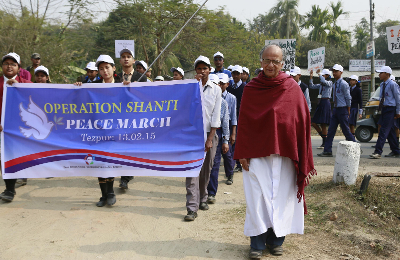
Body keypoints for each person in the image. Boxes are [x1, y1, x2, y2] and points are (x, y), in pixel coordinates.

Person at [234, 45, 315, 258]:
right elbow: (243, 123)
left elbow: (301, 121)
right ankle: (257, 245)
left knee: (282, 197)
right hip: (256, 155)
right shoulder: (252, 88)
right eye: (267, 60)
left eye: (276, 61)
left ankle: (277, 240)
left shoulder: (291, 88)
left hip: (286, 155)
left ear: (282, 63)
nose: (271, 65)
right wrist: (242, 152)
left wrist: (299, 151)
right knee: (257, 198)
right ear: (260, 62)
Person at [75, 54, 124, 206]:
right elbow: (79, 102)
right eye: (101, 69)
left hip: (114, 131)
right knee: (98, 163)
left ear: (113, 68)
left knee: (110, 161)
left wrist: (130, 88)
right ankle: (104, 195)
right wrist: (77, 88)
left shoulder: (122, 85)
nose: (104, 71)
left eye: (107, 68)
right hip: (96, 131)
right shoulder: (91, 85)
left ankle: (110, 192)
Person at [184, 55, 221, 221]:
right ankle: (192, 207)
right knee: (192, 170)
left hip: (209, 134)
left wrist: (210, 138)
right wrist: (193, 86)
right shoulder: (189, 88)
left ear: (209, 70)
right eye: (198, 68)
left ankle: (203, 198)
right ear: (195, 71)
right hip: (192, 135)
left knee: (206, 169)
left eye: (204, 68)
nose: (202, 71)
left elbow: (216, 116)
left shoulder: (216, 89)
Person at [0, 52, 33, 202]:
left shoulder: (25, 83)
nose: (9, 66)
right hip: (1, 129)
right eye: (6, 63)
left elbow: (45, 94)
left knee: (12, 157)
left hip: (18, 131)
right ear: (2, 67)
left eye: (13, 64)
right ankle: (9, 188)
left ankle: (9, 190)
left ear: (19, 68)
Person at [207, 73, 237, 205]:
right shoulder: (200, 98)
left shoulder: (224, 102)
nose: (215, 86)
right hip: (202, 134)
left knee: (214, 164)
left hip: (217, 135)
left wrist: (226, 140)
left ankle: (211, 193)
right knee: (202, 166)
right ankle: (202, 192)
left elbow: (226, 122)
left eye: (217, 84)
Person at [318, 64, 355, 157]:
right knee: (331, 130)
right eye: (333, 71)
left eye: (336, 71)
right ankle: (327, 150)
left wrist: (348, 109)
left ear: (341, 72)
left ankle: (355, 147)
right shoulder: (334, 84)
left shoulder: (344, 84)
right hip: (336, 109)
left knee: (346, 130)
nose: (334, 73)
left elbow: (348, 97)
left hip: (342, 109)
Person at [370, 66, 400, 159]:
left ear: (387, 74)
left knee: (383, 130)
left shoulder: (392, 84)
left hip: (391, 109)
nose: (379, 74)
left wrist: (398, 111)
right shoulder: (382, 85)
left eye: (381, 73)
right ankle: (396, 151)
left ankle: (378, 151)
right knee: (390, 131)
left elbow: (398, 98)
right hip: (384, 108)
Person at [227, 65, 246, 172]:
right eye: (233, 73)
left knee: (239, 140)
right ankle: (231, 163)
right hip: (229, 117)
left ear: (241, 74)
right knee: (230, 140)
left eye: (237, 74)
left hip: (240, 117)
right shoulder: (228, 87)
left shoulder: (245, 87)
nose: (235, 76)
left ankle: (239, 164)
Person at [309, 69, 333, 149]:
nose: (322, 76)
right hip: (320, 102)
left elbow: (325, 82)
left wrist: (319, 74)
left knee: (323, 124)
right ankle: (324, 138)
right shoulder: (321, 85)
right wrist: (311, 77)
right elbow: (311, 86)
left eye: (323, 75)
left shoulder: (329, 83)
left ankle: (324, 142)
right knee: (314, 123)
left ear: (327, 76)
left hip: (326, 102)